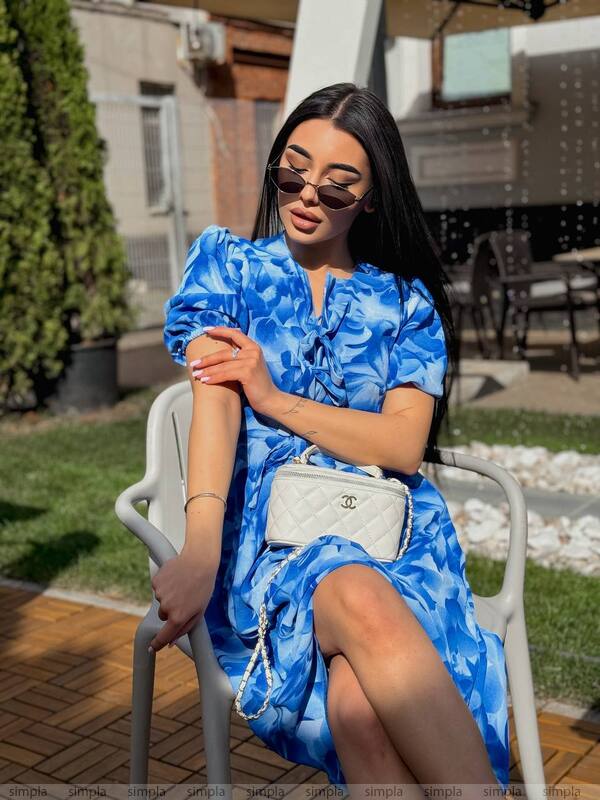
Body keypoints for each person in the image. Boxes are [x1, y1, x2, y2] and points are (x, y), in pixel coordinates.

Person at [154, 82, 510, 797]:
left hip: (394, 541)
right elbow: (216, 406)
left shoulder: (404, 301)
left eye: (337, 186)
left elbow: (403, 447)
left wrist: (276, 397)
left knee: (361, 712)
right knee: (352, 592)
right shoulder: (228, 268)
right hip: (269, 550)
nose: (307, 193)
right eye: (293, 170)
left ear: (371, 199)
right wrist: (199, 545)